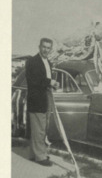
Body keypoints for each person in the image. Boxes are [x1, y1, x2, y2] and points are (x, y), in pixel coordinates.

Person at [26, 38, 59, 166]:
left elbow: (45, 80)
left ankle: (34, 154)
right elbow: (33, 80)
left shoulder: (48, 62)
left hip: (45, 98)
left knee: (40, 128)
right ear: (39, 46)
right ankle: (40, 157)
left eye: (48, 48)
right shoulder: (32, 61)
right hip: (36, 99)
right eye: (44, 47)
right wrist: (50, 82)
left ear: (51, 49)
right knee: (38, 129)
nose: (46, 50)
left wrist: (52, 85)